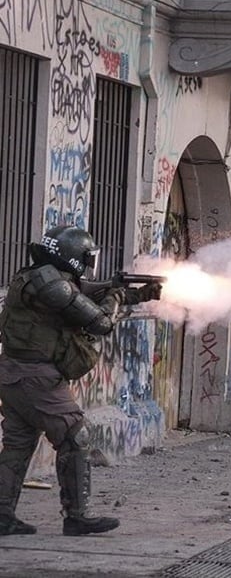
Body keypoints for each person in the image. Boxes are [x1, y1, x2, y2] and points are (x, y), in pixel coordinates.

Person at [0, 225, 162, 536]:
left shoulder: (41, 276)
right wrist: (115, 296)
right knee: (76, 437)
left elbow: (82, 293)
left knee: (18, 445)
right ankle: (76, 516)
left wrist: (132, 293)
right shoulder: (51, 284)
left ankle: (3, 514)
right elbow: (100, 322)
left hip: (15, 372)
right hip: (36, 376)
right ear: (73, 256)